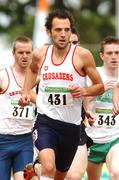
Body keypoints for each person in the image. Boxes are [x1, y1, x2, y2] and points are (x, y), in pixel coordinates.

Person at [19, 9, 104, 180]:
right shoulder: (40, 54)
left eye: (67, 30)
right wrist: (25, 91)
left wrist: (84, 91)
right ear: (49, 32)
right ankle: (40, 167)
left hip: (71, 127)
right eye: (58, 30)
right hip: (45, 121)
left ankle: (35, 170)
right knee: (48, 168)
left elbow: (100, 86)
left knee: (61, 175)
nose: (63, 34)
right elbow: (32, 70)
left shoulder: (83, 56)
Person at [0, 36, 37, 180]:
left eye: (28, 52)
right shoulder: (3, 76)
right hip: (2, 140)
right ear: (13, 53)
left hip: (24, 141)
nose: (25, 56)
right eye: (21, 52)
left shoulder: (38, 79)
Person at [85, 36, 119, 180]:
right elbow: (83, 99)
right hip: (93, 138)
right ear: (102, 55)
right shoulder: (94, 75)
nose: (114, 57)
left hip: (115, 138)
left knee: (116, 173)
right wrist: (100, 89)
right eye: (110, 53)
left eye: (117, 53)